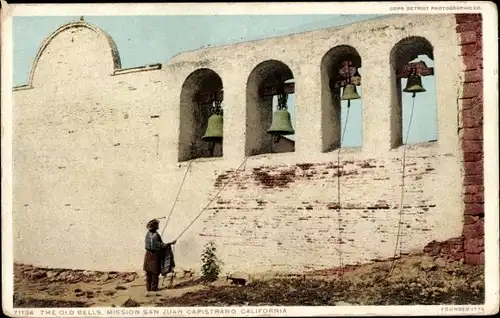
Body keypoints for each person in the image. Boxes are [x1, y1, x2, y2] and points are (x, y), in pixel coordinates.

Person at [143, 219, 176, 291]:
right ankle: (153, 288)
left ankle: (148, 288)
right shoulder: (156, 235)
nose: (158, 226)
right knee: (155, 273)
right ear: (155, 227)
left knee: (148, 272)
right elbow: (162, 246)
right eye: (157, 225)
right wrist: (171, 243)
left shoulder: (147, 234)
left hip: (148, 255)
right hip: (154, 256)